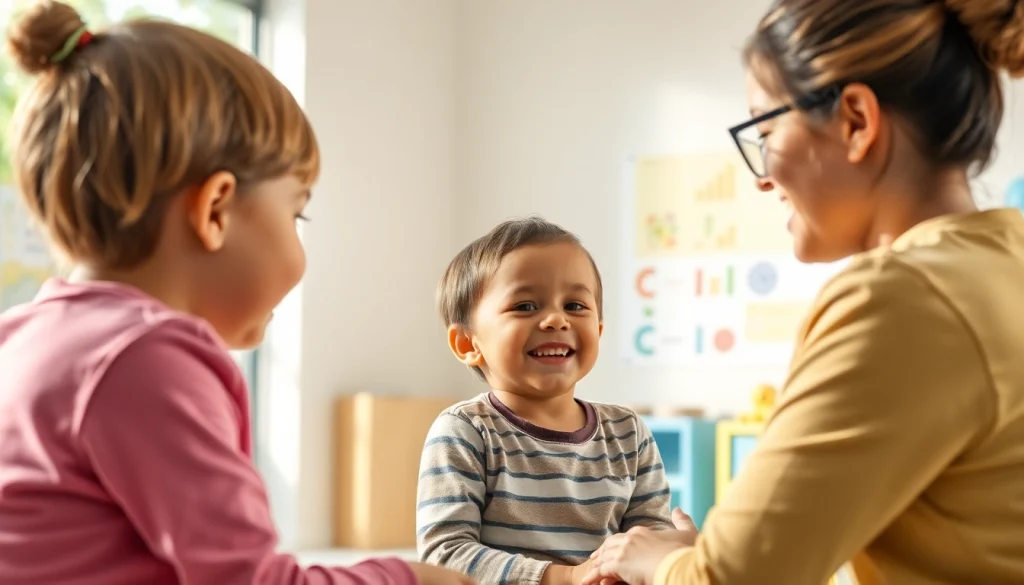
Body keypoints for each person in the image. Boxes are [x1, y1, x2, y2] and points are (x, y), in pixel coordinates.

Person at [0, 3, 474, 585]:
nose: (300, 236)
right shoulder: (144, 358)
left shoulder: (18, 341)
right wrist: (411, 578)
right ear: (216, 209)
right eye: (298, 212)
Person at [584, 0, 1024, 584]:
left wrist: (663, 560)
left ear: (856, 122)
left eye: (765, 131)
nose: (762, 176)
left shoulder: (901, 299)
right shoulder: (1004, 261)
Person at [417, 217, 685, 585]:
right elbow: (444, 556)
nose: (556, 319)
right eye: (525, 306)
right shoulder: (464, 431)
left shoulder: (628, 432)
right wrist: (565, 578)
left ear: (599, 332)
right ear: (468, 343)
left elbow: (648, 537)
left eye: (575, 305)